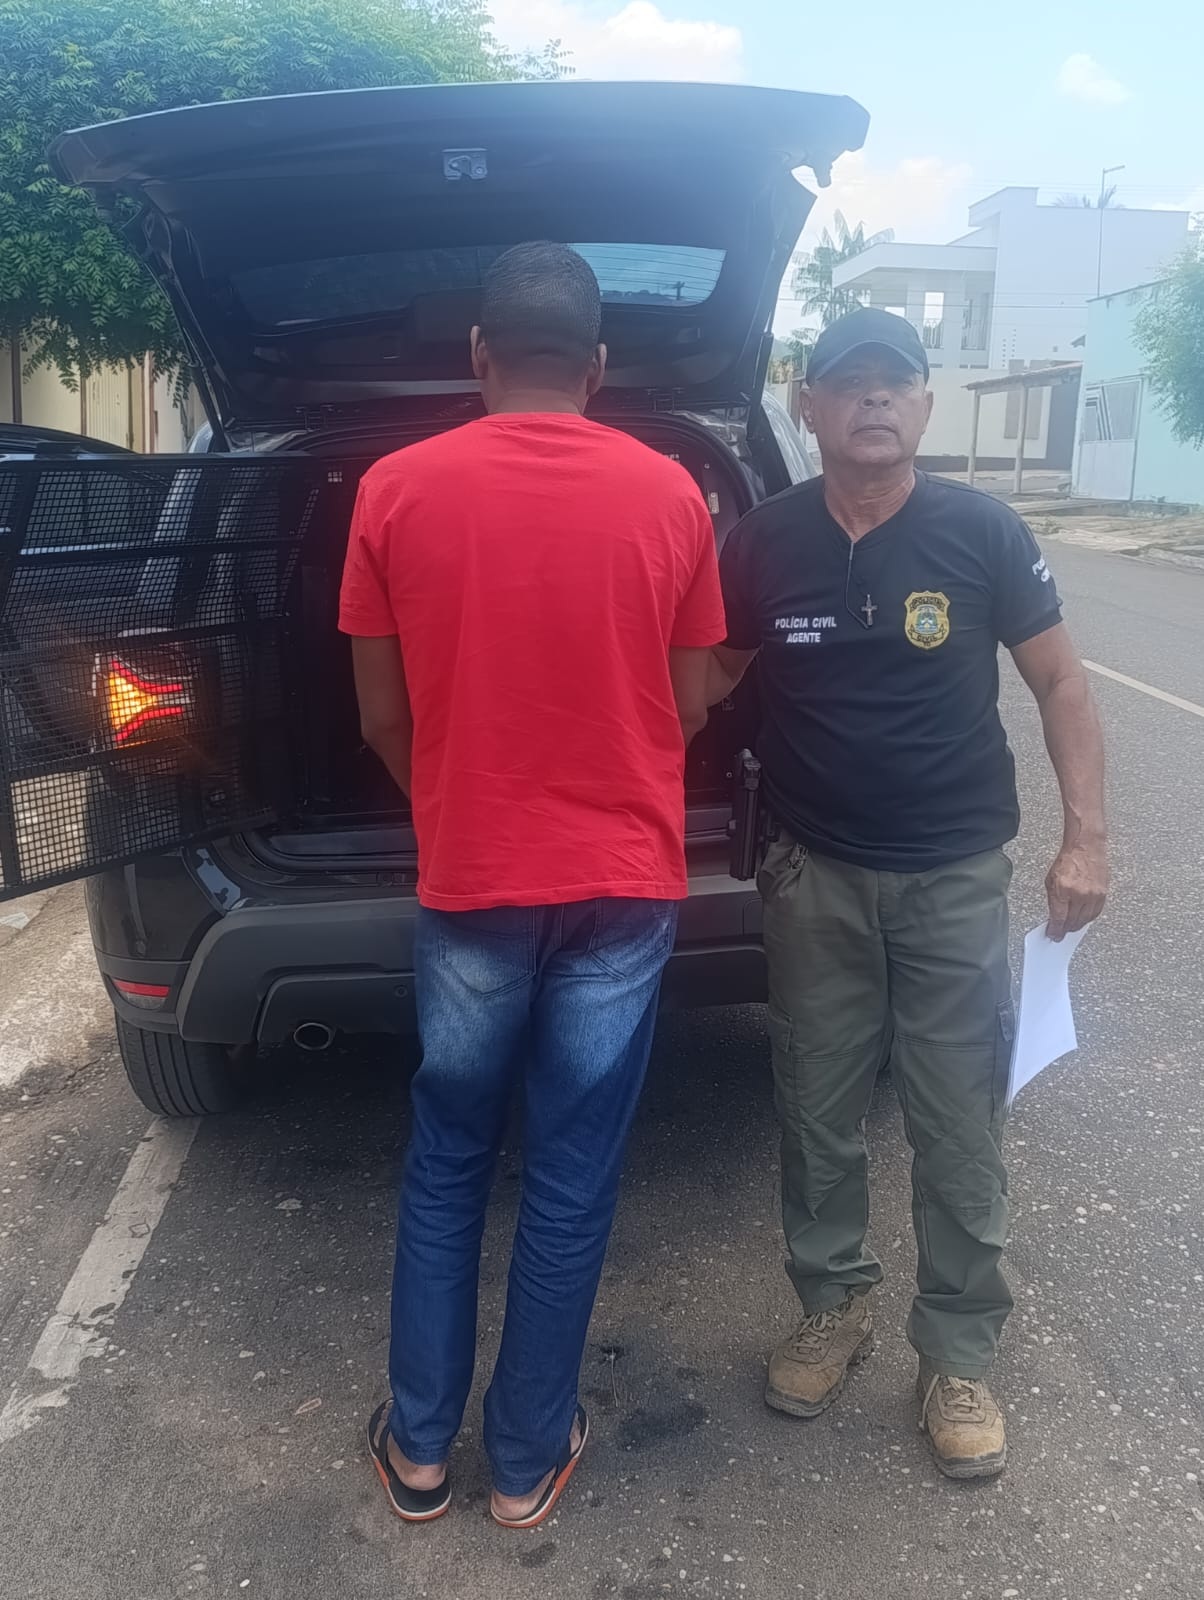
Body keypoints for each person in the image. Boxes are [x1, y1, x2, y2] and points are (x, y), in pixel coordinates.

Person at [338, 242, 726, 1528]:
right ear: (599, 365)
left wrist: (457, 801)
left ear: (479, 354)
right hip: (623, 885)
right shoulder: (671, 495)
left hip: (472, 881)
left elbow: (381, 717)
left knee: (449, 1152)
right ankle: (523, 1463)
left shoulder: (393, 488)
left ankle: (418, 1452)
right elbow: (686, 706)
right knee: (570, 1168)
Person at [709, 307, 1107, 1479]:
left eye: (896, 382)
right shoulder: (762, 541)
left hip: (951, 880)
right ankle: (831, 1305)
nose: (874, 399)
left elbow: (1062, 683)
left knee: (956, 1121)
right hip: (812, 875)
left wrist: (1084, 841)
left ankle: (957, 1351)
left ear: (926, 404)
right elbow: (703, 680)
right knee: (815, 1105)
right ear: (809, 406)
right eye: (850, 382)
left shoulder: (981, 531)